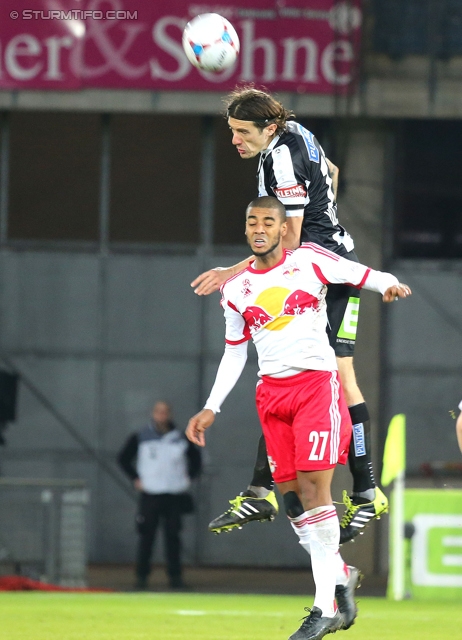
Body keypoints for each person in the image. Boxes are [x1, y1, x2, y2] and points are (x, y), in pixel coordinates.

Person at [187, 197, 411, 639]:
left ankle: (323, 606)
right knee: (292, 502)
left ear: (283, 227)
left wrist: (389, 283)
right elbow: (235, 353)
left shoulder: (308, 260)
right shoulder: (236, 289)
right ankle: (340, 574)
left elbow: (358, 273)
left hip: (314, 387)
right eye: (252, 220)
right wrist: (212, 406)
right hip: (270, 396)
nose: (258, 227)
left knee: (315, 488)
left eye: (268, 220)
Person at [191, 87, 387, 544]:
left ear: (270, 128)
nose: (235, 140)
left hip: (327, 274)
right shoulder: (296, 134)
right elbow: (331, 172)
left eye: (242, 132)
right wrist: (327, 208)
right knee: (307, 373)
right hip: (330, 265)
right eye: (232, 131)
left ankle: (364, 489)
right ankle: (291, 489)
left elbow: (290, 241)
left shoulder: (279, 158)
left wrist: (232, 271)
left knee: (329, 373)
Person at [118, 400, 202, 590]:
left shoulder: (181, 437)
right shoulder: (141, 437)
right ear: (153, 414)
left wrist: (188, 477)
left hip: (174, 495)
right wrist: (135, 478)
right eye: (158, 412)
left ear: (169, 414)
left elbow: (196, 460)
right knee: (146, 537)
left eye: (165, 412)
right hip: (151, 495)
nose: (162, 416)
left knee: (173, 537)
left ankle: (175, 577)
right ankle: (141, 577)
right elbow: (123, 459)